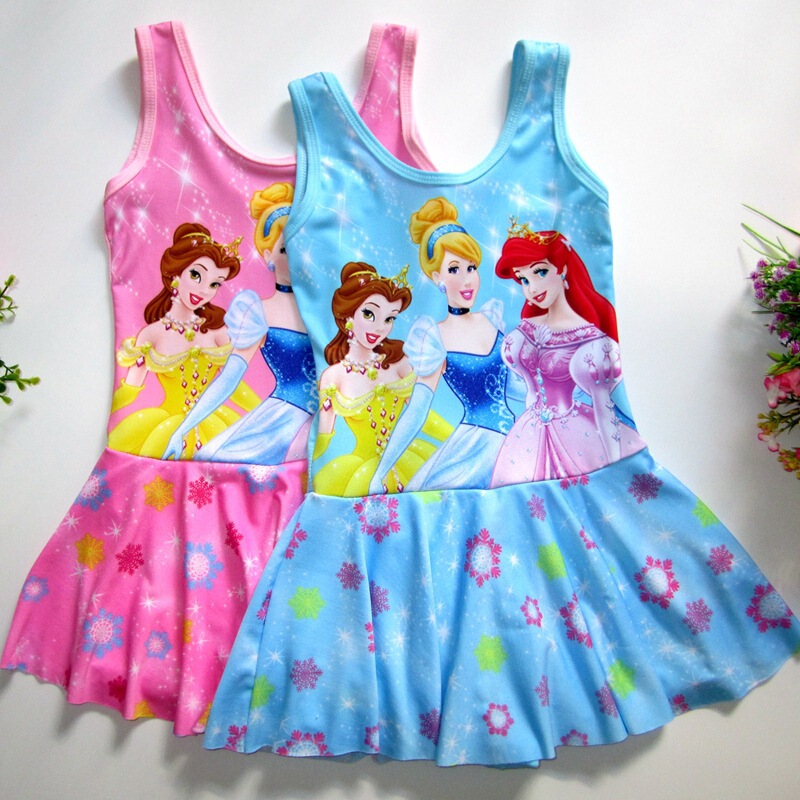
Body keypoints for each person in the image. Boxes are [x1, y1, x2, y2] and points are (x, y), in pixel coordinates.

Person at [369, 197, 516, 493]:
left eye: (471, 267)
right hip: (475, 447)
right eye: (454, 269)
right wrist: (381, 471)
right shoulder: (435, 337)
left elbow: (515, 388)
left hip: (514, 440)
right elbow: (417, 409)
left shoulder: (492, 319)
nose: (467, 280)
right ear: (437, 277)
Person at [163, 182, 315, 463]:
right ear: (268, 256)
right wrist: (184, 428)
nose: (296, 258)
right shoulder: (260, 312)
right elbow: (230, 377)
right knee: (211, 459)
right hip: (283, 419)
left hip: (330, 420)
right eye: (286, 249)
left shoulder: (332, 309)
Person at [491, 224, 645, 485]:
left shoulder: (589, 339)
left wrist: (614, 474)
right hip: (528, 434)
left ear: (561, 268)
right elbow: (531, 392)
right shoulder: (526, 330)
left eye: (540, 272)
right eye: (524, 279)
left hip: (573, 431)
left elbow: (605, 411)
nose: (532, 288)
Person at [108, 222, 256, 458]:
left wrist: (263, 412)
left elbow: (233, 385)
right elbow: (131, 388)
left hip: (215, 424)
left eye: (214, 284)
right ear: (175, 272)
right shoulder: (151, 335)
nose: (204, 290)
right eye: (196, 275)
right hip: (163, 426)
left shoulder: (218, 332)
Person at [314, 261, 443, 495]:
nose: (379, 327)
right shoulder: (333, 376)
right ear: (348, 313)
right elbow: (323, 436)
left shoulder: (400, 363)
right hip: (358, 470)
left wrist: (453, 439)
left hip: (409, 457)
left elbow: (422, 414)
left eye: (389, 319)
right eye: (369, 314)